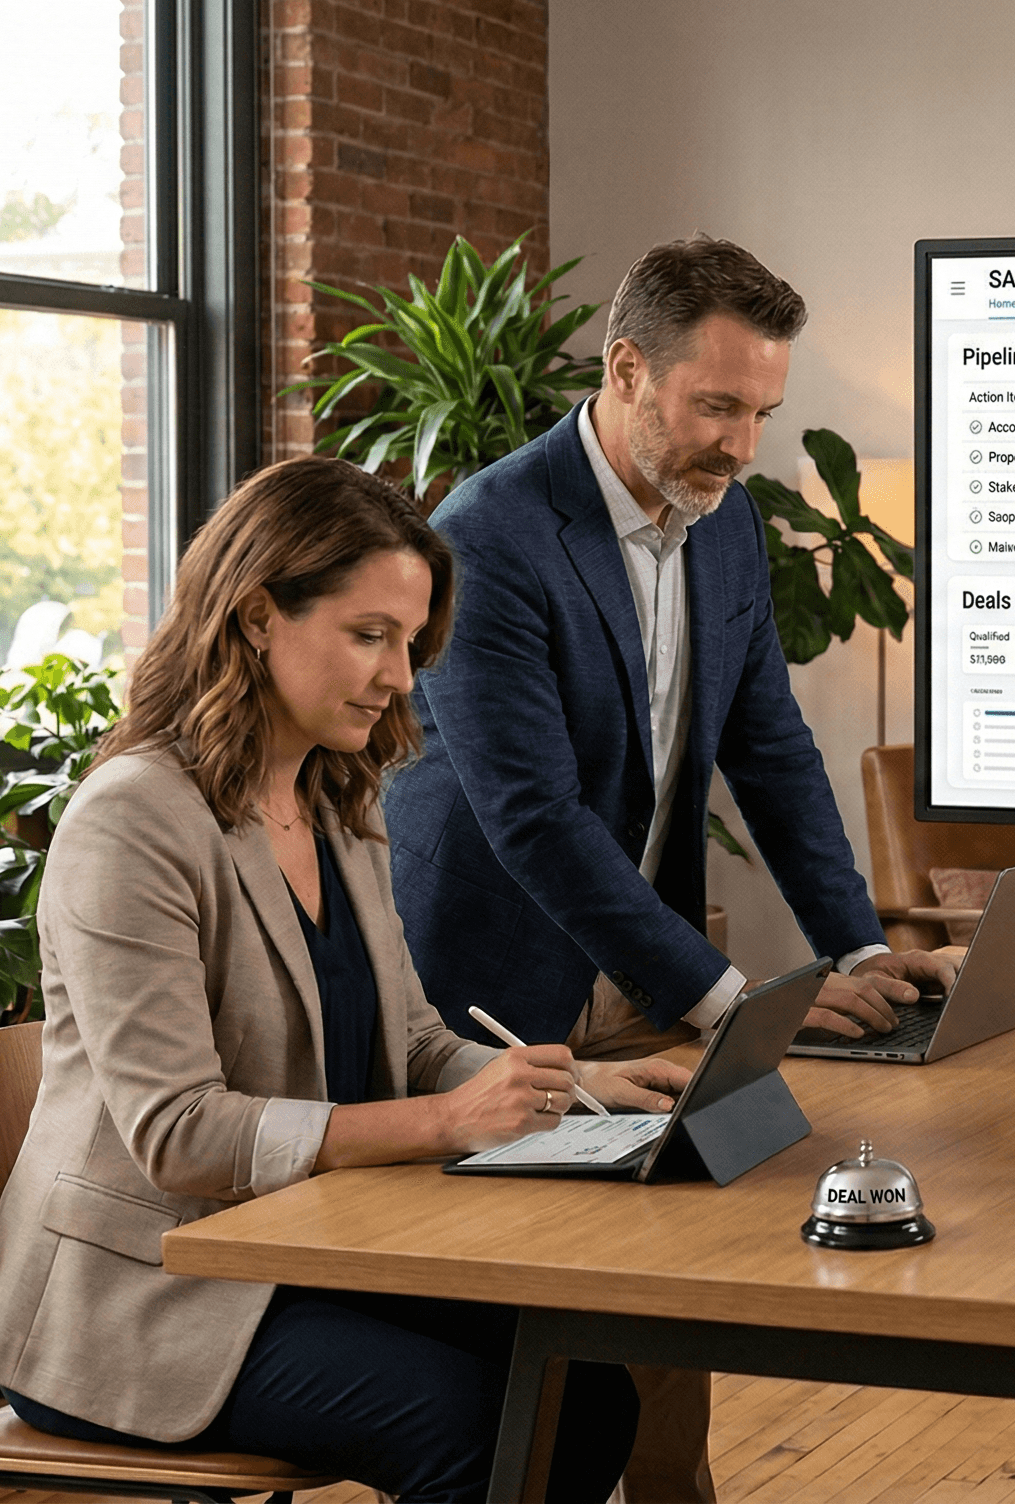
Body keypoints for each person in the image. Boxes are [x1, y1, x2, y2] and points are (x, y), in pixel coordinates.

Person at [0, 459, 682, 1504]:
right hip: (145, 1298)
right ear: (259, 616)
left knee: (583, 1391)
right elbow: (178, 1133)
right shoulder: (131, 822)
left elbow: (412, 1038)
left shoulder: (336, 798)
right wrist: (444, 1123)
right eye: (369, 635)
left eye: (409, 641)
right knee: (481, 1425)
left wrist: (557, 1086)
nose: (401, 676)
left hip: (304, 1252)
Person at [382, 236, 956, 1501]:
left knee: (672, 1282)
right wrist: (729, 998)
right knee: (548, 1337)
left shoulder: (725, 524)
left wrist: (854, 943)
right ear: (627, 369)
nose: (742, 445)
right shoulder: (491, 533)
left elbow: (772, 748)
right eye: (715, 406)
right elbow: (532, 818)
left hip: (640, 961)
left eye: (762, 412)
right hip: (497, 984)